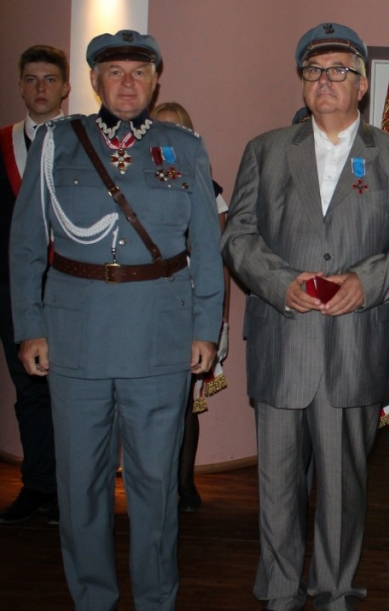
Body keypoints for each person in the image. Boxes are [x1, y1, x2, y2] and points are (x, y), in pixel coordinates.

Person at [9, 30, 223, 610]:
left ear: (156, 81)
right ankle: (93, 599)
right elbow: (26, 246)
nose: (128, 83)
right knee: (81, 484)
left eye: (139, 72)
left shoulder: (184, 146)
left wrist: (206, 329)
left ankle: (156, 599)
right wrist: (31, 326)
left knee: (156, 484)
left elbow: (207, 247)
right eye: (115, 72)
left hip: (159, 336)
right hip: (74, 337)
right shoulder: (57, 143)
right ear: (95, 81)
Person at [221, 22, 389, 611]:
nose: (325, 80)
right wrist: (280, 284)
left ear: (363, 84)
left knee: (342, 486)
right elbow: (238, 235)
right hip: (284, 339)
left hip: (355, 344)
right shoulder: (265, 150)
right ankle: (281, 589)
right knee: (277, 485)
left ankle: (334, 590)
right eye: (314, 71)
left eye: (339, 71)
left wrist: (367, 283)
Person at [0, 45, 68, 526]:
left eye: (49, 79)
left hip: (72, 290)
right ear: (20, 86)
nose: (40, 88)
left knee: (72, 395)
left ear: (66, 88)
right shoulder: (1, 144)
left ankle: (72, 491)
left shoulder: (84, 143)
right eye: (31, 79)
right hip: (14, 292)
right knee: (28, 392)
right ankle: (38, 485)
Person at [153, 101, 231, 513]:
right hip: (149, 309)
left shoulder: (209, 189)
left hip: (190, 308)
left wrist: (218, 322)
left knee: (184, 403)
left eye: (176, 129)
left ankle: (184, 485)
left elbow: (217, 260)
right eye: (160, 128)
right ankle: (155, 484)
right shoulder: (138, 185)